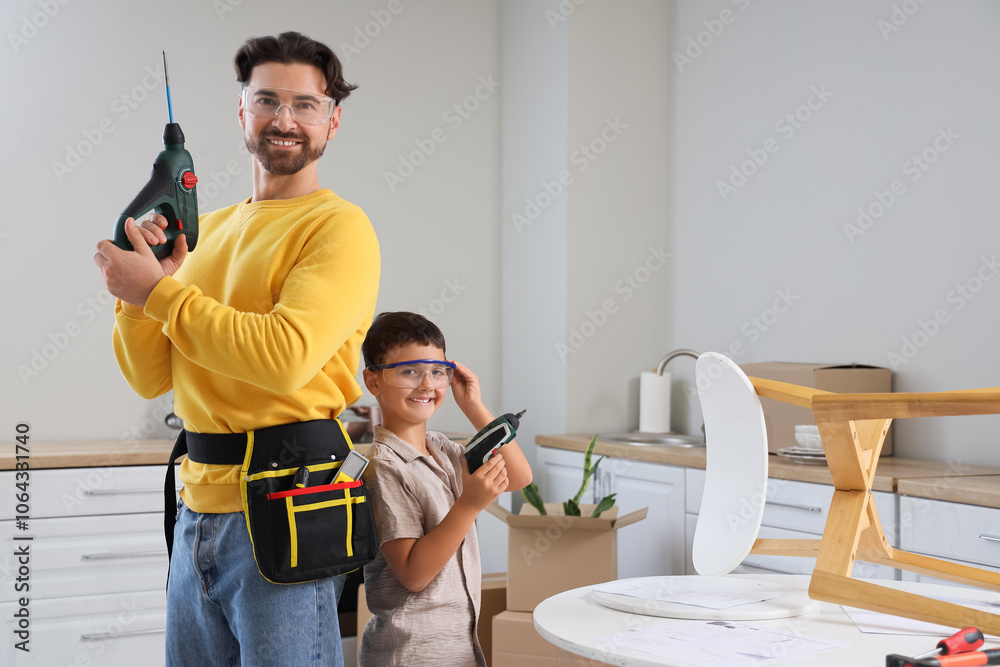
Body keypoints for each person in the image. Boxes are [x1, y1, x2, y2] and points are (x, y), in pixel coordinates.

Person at [93, 32, 379, 667]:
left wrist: (160, 294)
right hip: (196, 509)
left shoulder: (338, 227)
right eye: (267, 100)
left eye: (306, 104)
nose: (285, 119)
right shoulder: (208, 231)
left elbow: (283, 357)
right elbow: (149, 376)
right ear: (242, 111)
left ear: (332, 119)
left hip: (286, 503)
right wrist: (139, 295)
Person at [357, 312, 532, 666]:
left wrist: (473, 407)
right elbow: (413, 574)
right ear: (373, 381)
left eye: (438, 371)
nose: (427, 385)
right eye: (409, 371)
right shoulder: (384, 467)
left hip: (456, 648)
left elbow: (519, 476)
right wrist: (469, 505)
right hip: (412, 654)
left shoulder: (443, 449)